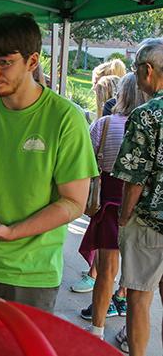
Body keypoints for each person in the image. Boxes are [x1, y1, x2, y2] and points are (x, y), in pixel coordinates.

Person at [0, 13, 98, 312]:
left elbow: (74, 202)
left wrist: (13, 232)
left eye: (5, 62)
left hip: (31, 272)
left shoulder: (65, 118)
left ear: (32, 61)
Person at [76, 73, 144, 339]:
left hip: (109, 206)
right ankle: (131, 330)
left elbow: (86, 164)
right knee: (137, 277)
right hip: (140, 209)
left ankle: (97, 329)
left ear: (122, 94)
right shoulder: (148, 128)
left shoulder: (103, 125)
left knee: (106, 271)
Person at [111, 38, 163, 356]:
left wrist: (123, 216)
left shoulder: (146, 115)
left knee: (139, 298)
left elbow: (133, 179)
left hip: (148, 221)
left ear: (146, 70)